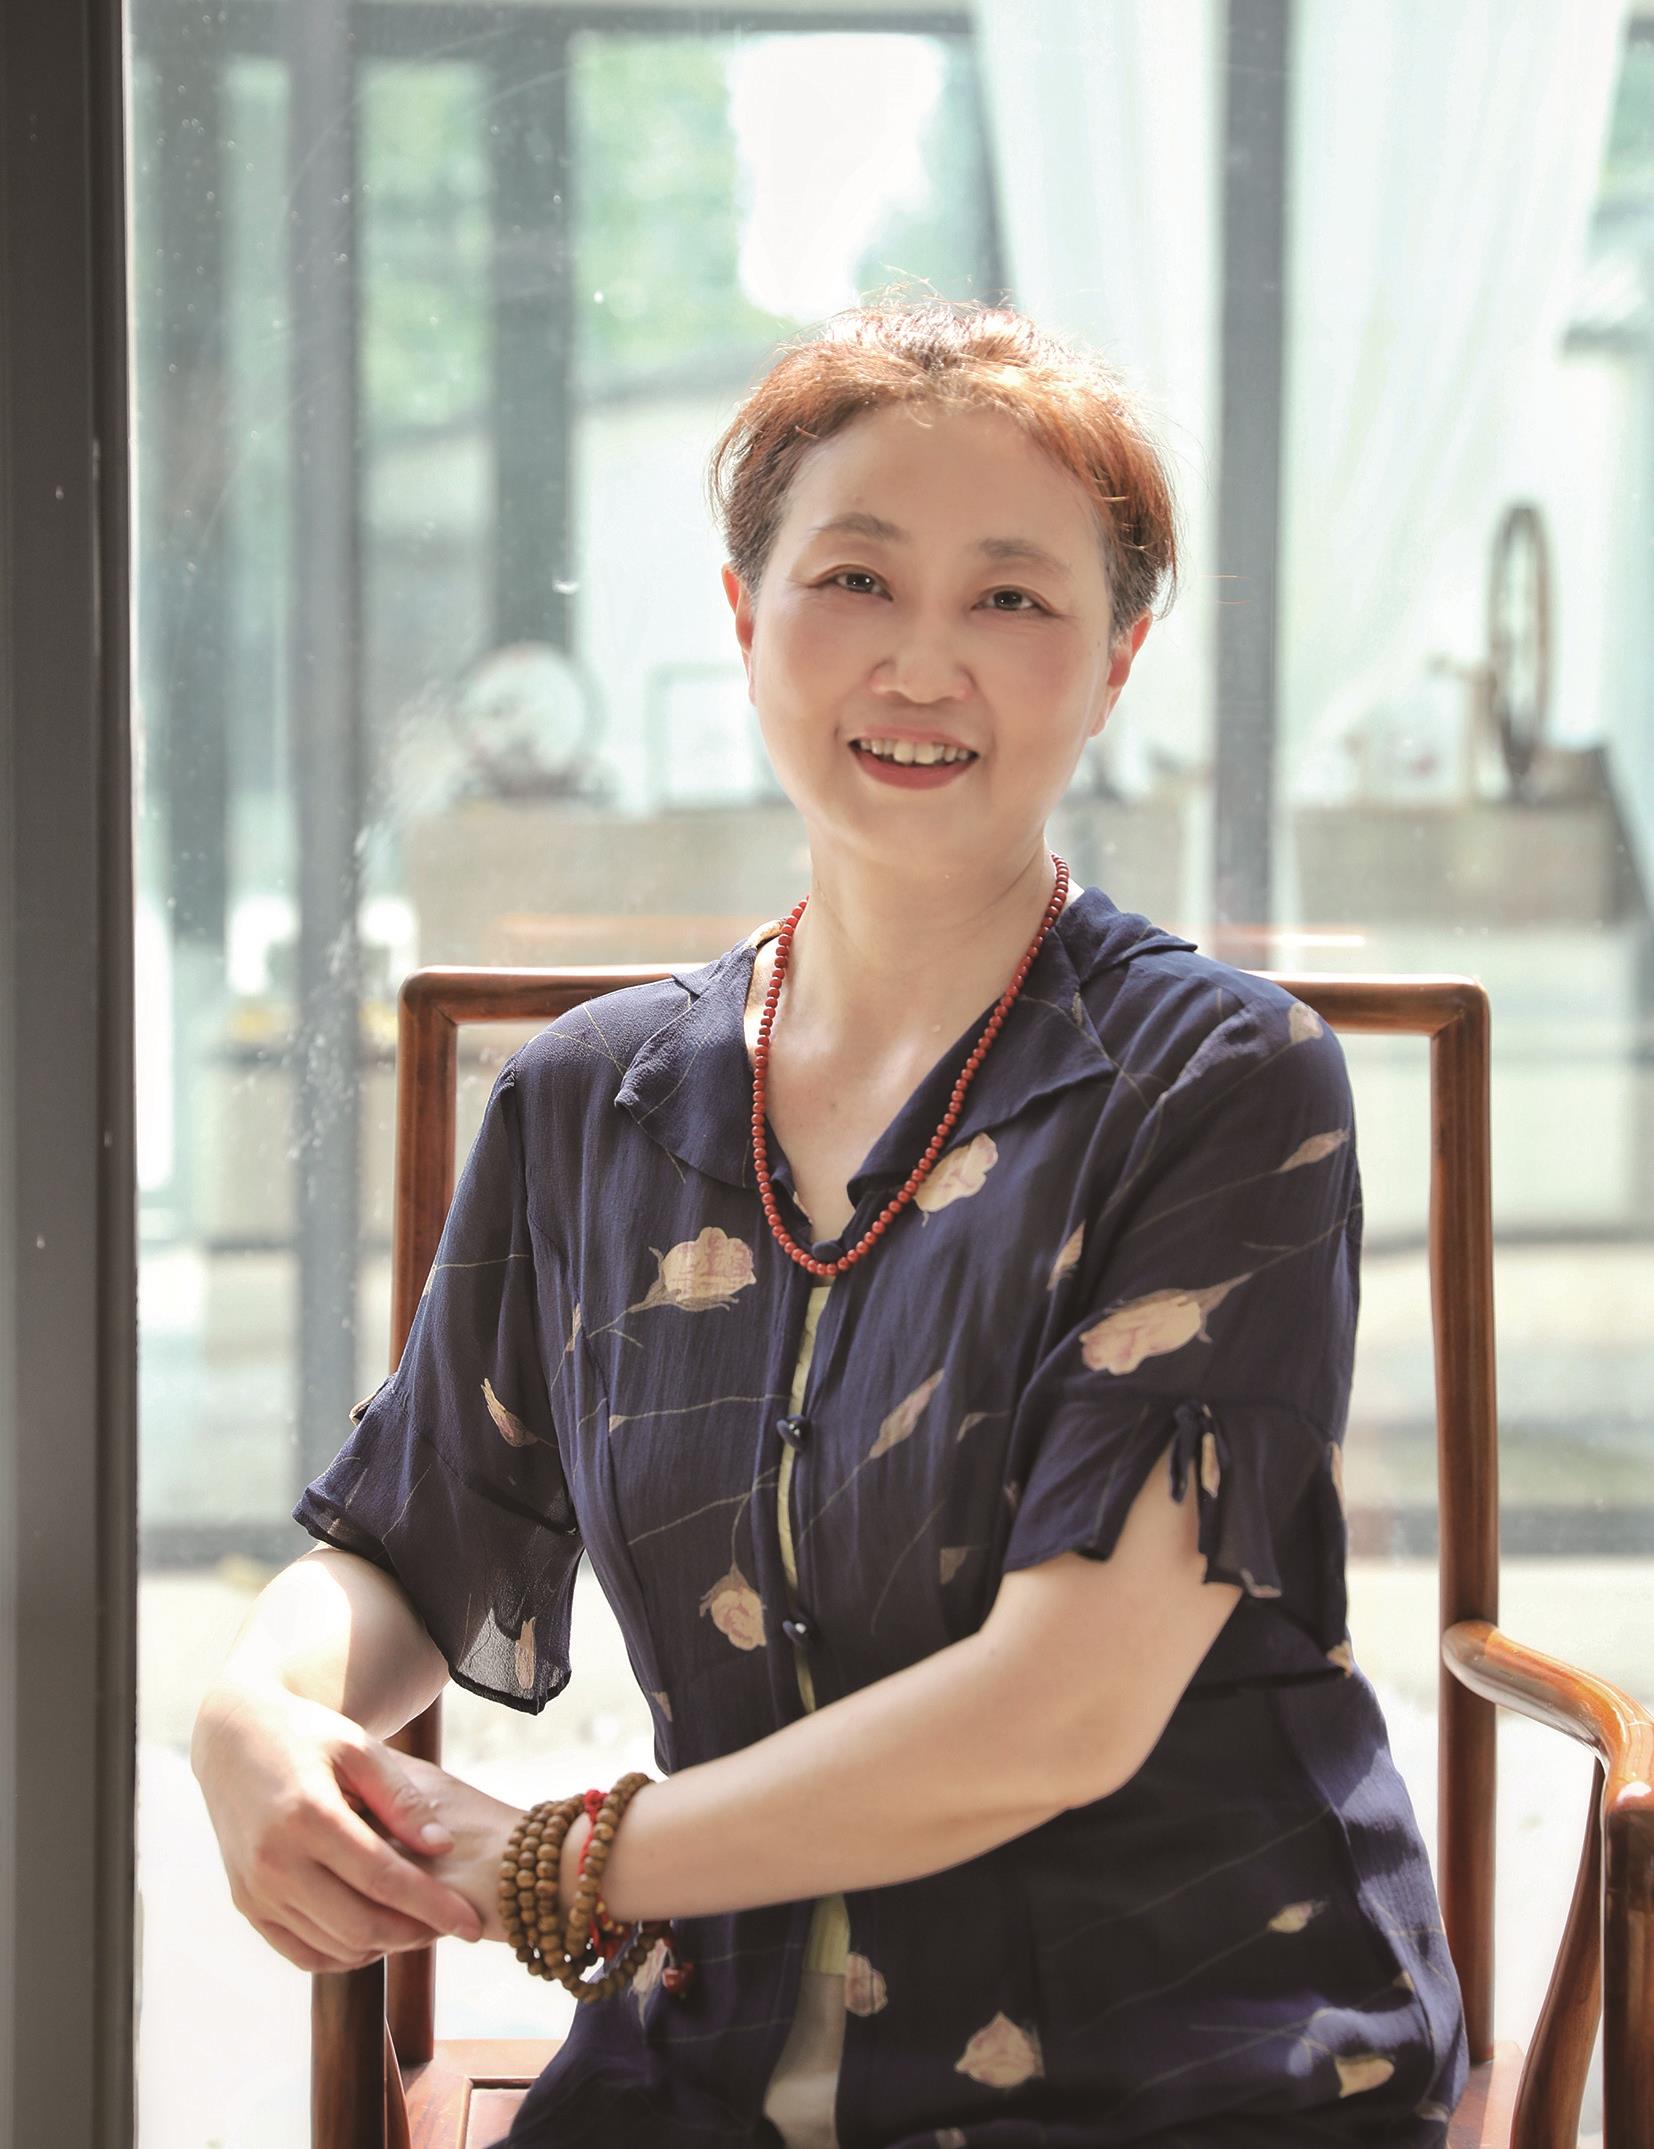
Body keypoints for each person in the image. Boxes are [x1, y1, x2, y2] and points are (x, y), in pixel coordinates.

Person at [192, 298, 1470, 2147]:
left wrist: (562, 1858)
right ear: (743, 618)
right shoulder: (590, 1098)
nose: (921, 662)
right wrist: (253, 1706)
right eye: (854, 579)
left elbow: (1058, 1714)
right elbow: (408, 1544)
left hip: (1179, 2060)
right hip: (703, 2055)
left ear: (1116, 663)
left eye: (1011, 598)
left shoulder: (1216, 1081)